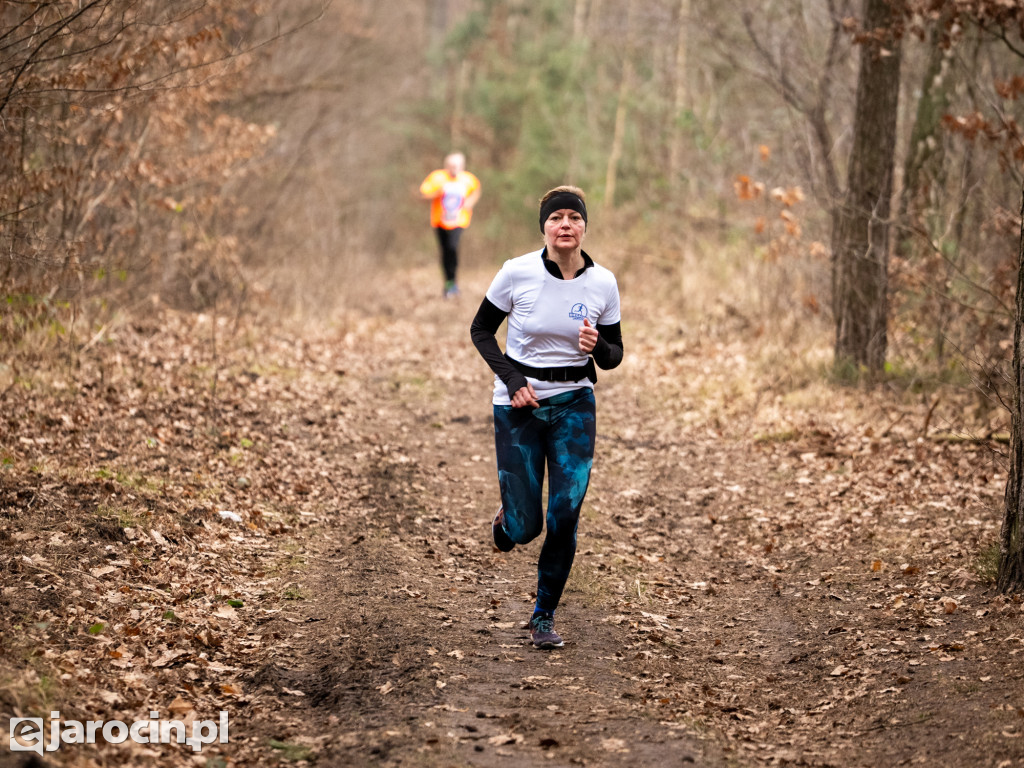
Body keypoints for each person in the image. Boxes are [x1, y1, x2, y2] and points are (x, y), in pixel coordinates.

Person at [469, 185, 623, 649]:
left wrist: (599, 348)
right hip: (520, 404)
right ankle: (507, 522)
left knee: (564, 516)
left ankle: (543, 616)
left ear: (583, 227)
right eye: (556, 218)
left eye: (573, 218)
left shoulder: (603, 283)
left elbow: (614, 355)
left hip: (576, 403)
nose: (565, 225)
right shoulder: (516, 273)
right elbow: (481, 331)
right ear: (544, 227)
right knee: (526, 526)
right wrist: (513, 382)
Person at [419, 152, 481, 298]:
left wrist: (470, 202)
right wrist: (438, 193)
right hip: (439, 221)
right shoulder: (437, 177)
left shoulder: (468, 179)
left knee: (453, 248)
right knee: (445, 251)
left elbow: (476, 191)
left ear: (462, 166)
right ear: (446, 166)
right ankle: (448, 283)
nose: (454, 168)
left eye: (457, 166)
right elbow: (423, 194)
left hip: (459, 221)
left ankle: (453, 282)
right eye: (452, 166)